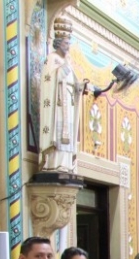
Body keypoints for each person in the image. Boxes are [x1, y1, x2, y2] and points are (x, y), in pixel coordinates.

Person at [39, 17, 88, 173]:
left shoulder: (67, 62)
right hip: (58, 105)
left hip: (68, 105)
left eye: (69, 43)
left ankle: (65, 164)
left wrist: (80, 86)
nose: (68, 47)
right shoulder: (52, 59)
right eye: (66, 43)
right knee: (58, 133)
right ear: (59, 43)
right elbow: (50, 79)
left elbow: (73, 84)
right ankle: (54, 163)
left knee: (67, 135)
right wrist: (63, 69)